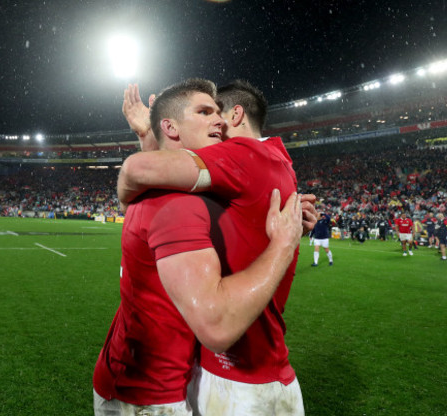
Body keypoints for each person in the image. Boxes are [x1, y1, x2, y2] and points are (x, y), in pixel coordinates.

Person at [92, 79, 304, 415]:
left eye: (218, 112)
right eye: (205, 112)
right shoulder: (177, 198)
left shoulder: (182, 191)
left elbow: (140, 181)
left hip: (160, 383)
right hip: (148, 393)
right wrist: (283, 242)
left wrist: (149, 137)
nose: (217, 121)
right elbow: (138, 173)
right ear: (172, 127)